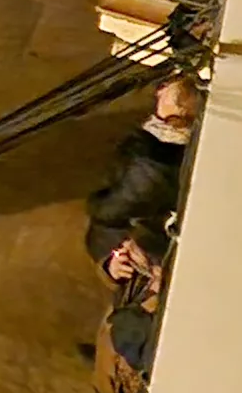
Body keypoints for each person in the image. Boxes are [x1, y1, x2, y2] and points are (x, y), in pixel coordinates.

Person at [12, 227, 171, 393]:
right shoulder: (148, 280)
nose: (126, 248)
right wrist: (113, 270)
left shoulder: (171, 315)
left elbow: (137, 350)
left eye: (136, 250)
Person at [82, 73, 202, 263]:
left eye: (166, 90)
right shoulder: (192, 147)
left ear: (177, 119)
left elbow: (108, 213)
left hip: (151, 254)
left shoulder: (151, 165)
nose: (159, 91)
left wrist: (110, 261)